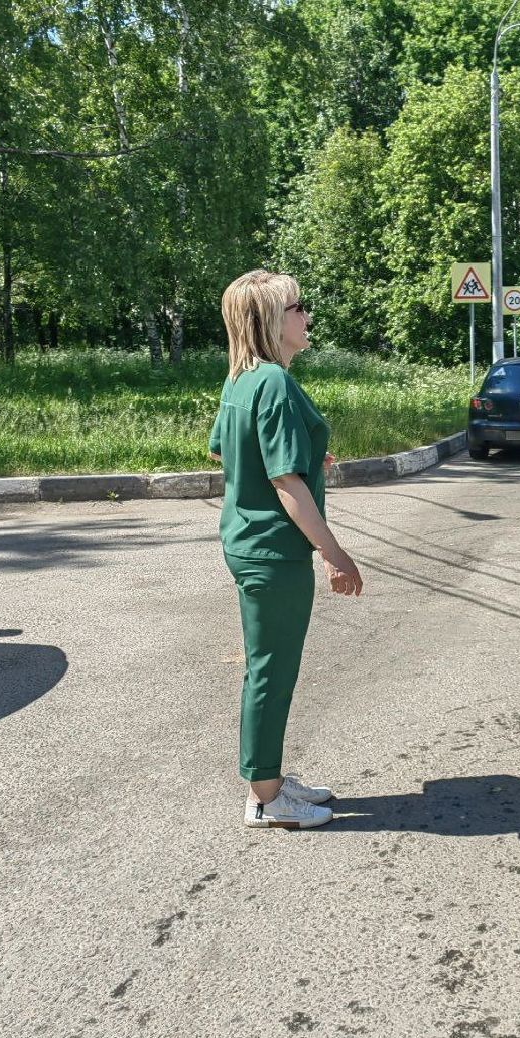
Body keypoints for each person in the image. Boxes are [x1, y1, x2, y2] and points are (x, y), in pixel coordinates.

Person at [209, 270, 364, 829]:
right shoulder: (270, 382)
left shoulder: (242, 380)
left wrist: (300, 462)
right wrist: (334, 553)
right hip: (273, 550)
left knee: (268, 667)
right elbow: (284, 484)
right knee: (271, 671)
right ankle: (266, 797)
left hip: (251, 542)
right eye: (298, 307)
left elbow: (228, 452)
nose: (307, 316)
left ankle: (268, 776)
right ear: (270, 320)